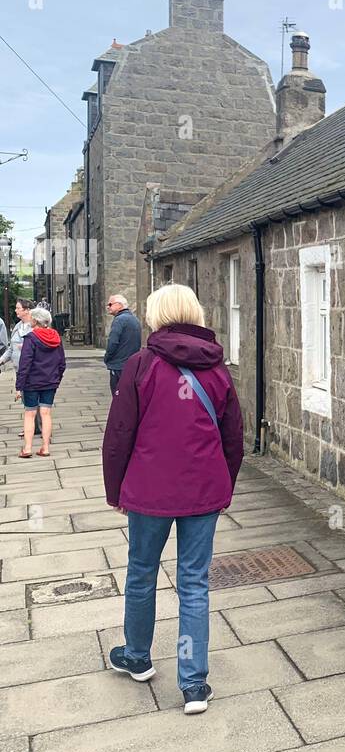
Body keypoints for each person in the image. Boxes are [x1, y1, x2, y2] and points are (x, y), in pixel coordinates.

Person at [102, 283, 243, 715]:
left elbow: (119, 434)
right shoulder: (217, 368)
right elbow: (234, 437)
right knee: (194, 583)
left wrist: (115, 489)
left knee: (142, 572)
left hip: (148, 491)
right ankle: (194, 684)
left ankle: (138, 656)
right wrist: (225, 485)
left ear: (156, 315)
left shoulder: (140, 365)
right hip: (203, 492)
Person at [15, 306, 66, 458]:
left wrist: (19, 386)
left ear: (35, 320)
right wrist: (57, 378)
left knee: (30, 414)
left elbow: (25, 364)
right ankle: (45, 447)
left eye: (31, 317)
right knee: (46, 413)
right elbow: (62, 363)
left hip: (32, 382)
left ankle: (28, 448)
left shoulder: (30, 339)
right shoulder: (56, 337)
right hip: (50, 382)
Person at [104, 294, 141, 395]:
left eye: (110, 304)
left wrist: (107, 357)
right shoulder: (135, 319)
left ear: (119, 305)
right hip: (132, 364)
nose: (108, 307)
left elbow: (113, 342)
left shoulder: (119, 320)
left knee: (117, 396)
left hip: (118, 365)